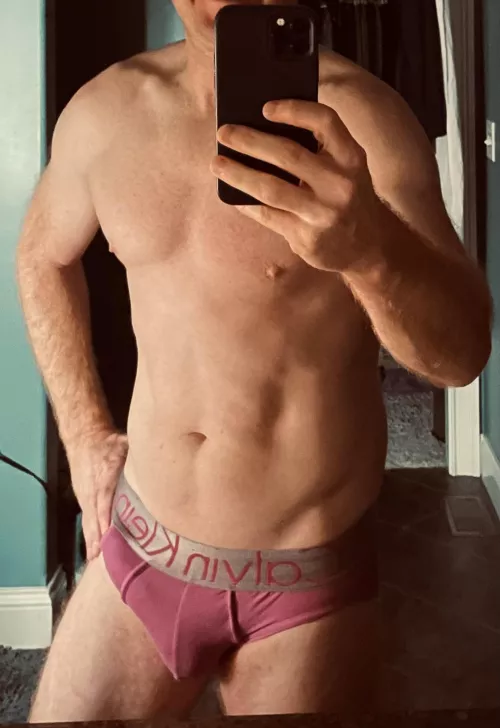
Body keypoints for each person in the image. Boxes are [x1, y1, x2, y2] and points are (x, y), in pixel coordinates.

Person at [16, 0, 492, 721]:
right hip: (140, 543)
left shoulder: (364, 122)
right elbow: (41, 257)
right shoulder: (104, 112)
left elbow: (460, 357)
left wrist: (372, 250)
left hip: (302, 586)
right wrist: (84, 437)